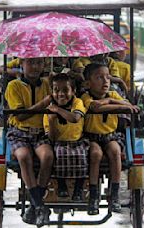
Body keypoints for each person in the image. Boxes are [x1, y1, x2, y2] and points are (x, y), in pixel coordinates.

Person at [80, 63, 139, 215]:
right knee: (95, 154)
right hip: (90, 137)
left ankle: (114, 193)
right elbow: (95, 107)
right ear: (88, 83)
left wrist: (111, 101)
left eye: (107, 77)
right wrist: (114, 104)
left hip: (110, 135)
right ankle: (93, 195)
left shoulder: (113, 95)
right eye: (99, 78)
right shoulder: (85, 97)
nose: (105, 81)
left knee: (115, 151)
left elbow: (127, 104)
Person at [5, 57, 54, 226]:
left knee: (47, 156)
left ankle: (35, 206)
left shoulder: (48, 84)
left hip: (41, 133)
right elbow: (20, 115)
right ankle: (39, 205)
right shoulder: (14, 86)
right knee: (24, 157)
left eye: (39, 63)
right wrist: (44, 103)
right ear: (22, 64)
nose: (35, 67)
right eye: (31, 62)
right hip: (20, 132)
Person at [43, 73, 88, 201]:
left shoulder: (77, 102)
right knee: (59, 153)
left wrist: (57, 110)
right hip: (59, 142)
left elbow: (75, 118)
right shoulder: (48, 110)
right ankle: (61, 185)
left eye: (65, 90)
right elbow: (51, 138)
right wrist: (51, 121)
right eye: (56, 90)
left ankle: (78, 189)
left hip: (77, 141)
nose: (61, 94)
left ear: (73, 91)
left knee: (81, 155)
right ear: (51, 92)